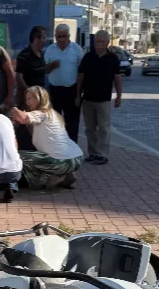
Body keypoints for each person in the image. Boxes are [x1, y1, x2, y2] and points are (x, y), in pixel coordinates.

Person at [10, 86, 83, 190]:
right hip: (76, 158)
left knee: (18, 156)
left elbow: (22, 118)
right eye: (26, 99)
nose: (27, 102)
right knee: (53, 152)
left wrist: (12, 106)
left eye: (30, 98)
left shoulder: (41, 113)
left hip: (60, 162)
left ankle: (48, 179)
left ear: (39, 98)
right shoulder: (53, 113)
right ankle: (69, 175)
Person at [75, 30, 121, 166]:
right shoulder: (88, 57)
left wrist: (119, 96)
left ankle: (102, 154)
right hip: (88, 99)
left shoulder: (113, 58)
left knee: (104, 128)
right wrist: (77, 95)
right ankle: (93, 153)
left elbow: (117, 78)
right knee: (89, 128)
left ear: (107, 43)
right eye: (97, 42)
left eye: (102, 42)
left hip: (104, 99)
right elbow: (80, 77)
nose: (99, 44)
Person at [45, 24, 85, 142]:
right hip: (54, 91)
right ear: (55, 36)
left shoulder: (76, 49)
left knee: (72, 123)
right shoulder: (50, 49)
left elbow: (82, 72)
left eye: (64, 36)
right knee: (54, 122)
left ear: (69, 36)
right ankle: (57, 148)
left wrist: (78, 94)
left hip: (71, 90)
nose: (62, 39)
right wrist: (52, 65)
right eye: (59, 36)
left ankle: (72, 148)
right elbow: (45, 70)